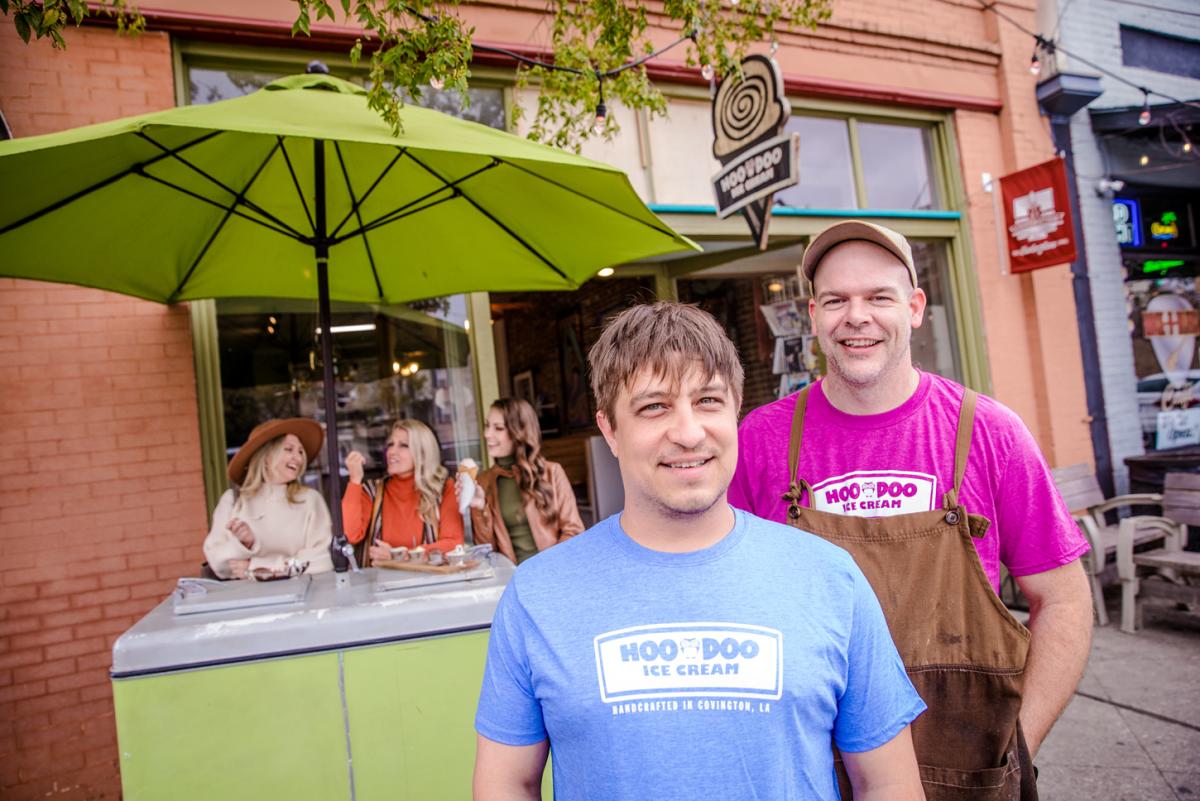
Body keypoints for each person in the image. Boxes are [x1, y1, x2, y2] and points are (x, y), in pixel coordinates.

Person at [473, 303, 926, 801]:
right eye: (654, 407)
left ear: (735, 409)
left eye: (708, 400)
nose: (688, 433)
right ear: (609, 429)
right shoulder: (539, 593)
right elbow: (506, 784)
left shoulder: (829, 577)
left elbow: (888, 783)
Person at [728, 220, 1094, 799]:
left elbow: (1065, 598)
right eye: (836, 300)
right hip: (815, 773)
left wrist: (1017, 746)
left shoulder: (990, 433)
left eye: (878, 297)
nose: (856, 316)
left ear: (916, 307)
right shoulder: (762, 440)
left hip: (970, 772)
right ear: (814, 315)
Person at [203, 418, 334, 579]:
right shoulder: (232, 500)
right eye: (289, 449)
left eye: (300, 451)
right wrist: (244, 545)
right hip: (245, 600)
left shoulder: (310, 500)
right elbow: (217, 561)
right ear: (266, 456)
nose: (298, 458)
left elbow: (322, 560)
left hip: (300, 599)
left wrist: (257, 567)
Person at [462, 398, 583, 565]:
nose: (487, 434)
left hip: (556, 575)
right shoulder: (483, 481)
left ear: (519, 432)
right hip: (513, 580)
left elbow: (573, 531)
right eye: (487, 425)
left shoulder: (552, 472)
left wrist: (549, 570)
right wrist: (479, 508)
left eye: (498, 428)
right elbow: (487, 550)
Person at [342, 419, 464, 566]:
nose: (392, 451)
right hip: (380, 585)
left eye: (403, 446)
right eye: (390, 444)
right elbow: (350, 535)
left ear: (423, 453)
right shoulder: (372, 491)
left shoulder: (444, 488)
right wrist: (355, 481)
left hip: (431, 584)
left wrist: (400, 556)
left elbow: (453, 544)